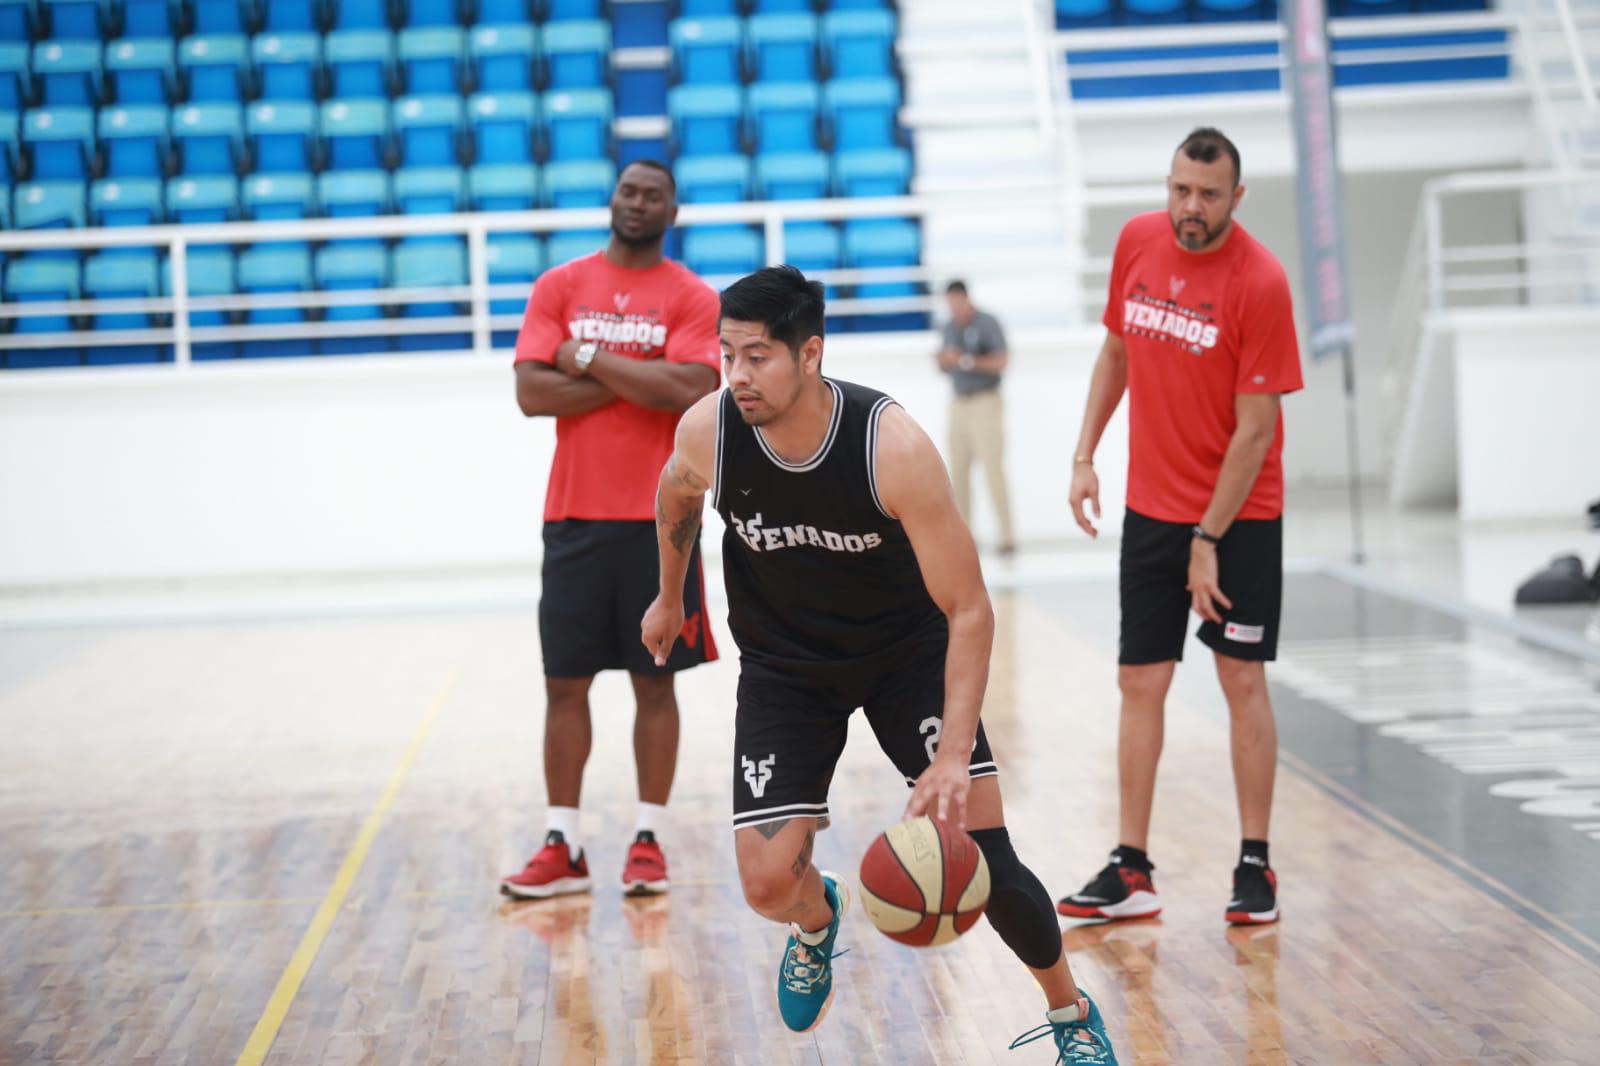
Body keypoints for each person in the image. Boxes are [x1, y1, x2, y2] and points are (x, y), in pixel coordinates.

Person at [641, 266, 1119, 1063]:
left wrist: (954, 755)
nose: (738, 375)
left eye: (758, 356)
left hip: (906, 658)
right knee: (766, 885)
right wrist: (668, 596)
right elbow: (677, 493)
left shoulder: (890, 447)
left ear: (811, 354)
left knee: (987, 859)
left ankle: (1071, 1013)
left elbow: (970, 608)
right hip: (786, 669)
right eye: (727, 355)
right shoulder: (709, 431)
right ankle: (816, 921)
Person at [1056, 128, 1303, 927]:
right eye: (1180, 190)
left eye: (1207, 195)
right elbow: (1116, 355)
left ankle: (1255, 865)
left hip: (1240, 517)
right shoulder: (1137, 241)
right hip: (1152, 511)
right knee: (1140, 681)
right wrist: (1085, 454)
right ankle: (1131, 868)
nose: (1190, 207)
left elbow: (1255, 432)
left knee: (1240, 679)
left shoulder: (1260, 282)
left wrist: (1207, 540)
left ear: (1236, 197)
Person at [501, 160, 722, 901]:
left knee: (655, 683)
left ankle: (648, 841)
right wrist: (642, 374)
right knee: (564, 682)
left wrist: (589, 359)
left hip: (664, 521)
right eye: (629, 191)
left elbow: (691, 390)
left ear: (672, 211)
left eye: (654, 195)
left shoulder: (692, 296)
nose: (638, 203)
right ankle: (562, 844)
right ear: (613, 198)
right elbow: (531, 393)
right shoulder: (559, 285)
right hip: (574, 517)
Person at [936, 280, 1016, 555]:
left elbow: (1001, 361)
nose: (954, 308)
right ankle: (964, 536)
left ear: (966, 299)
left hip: (985, 401)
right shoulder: (949, 327)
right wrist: (944, 361)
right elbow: (946, 364)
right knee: (957, 472)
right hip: (959, 402)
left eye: (957, 302)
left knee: (993, 469)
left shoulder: (987, 323)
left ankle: (1006, 536)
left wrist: (965, 360)